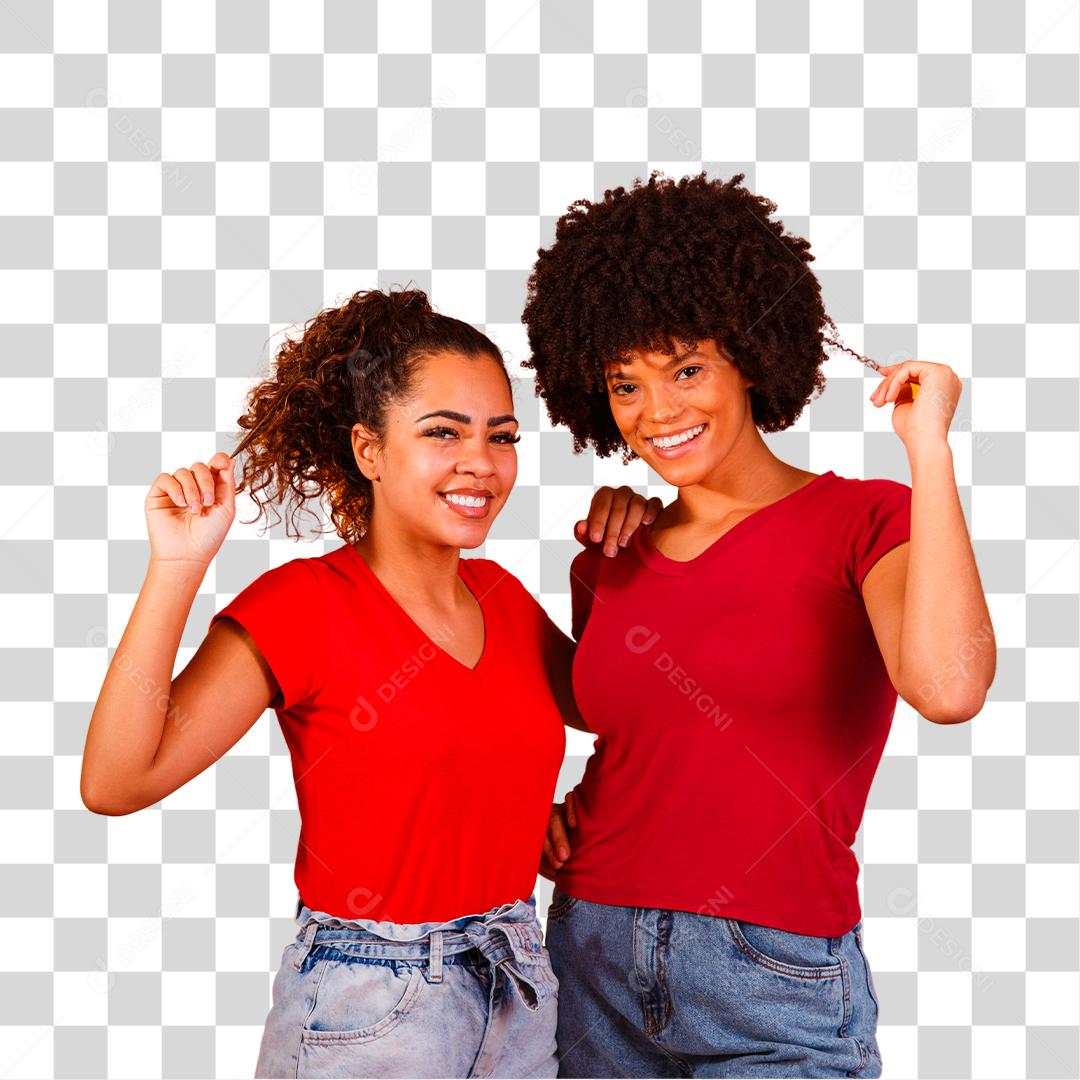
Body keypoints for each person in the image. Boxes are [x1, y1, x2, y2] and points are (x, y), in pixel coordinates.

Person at [80, 287, 659, 1078]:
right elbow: (115, 781)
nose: (479, 463)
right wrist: (177, 568)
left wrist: (623, 561)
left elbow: (638, 712)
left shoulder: (505, 601)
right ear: (370, 450)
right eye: (441, 433)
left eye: (501, 436)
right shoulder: (302, 606)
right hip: (367, 1003)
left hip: (518, 983)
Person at [523, 171, 996, 1078]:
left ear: (749, 353)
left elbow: (948, 686)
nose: (658, 413)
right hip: (590, 953)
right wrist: (524, 816)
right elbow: (604, 718)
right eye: (626, 385)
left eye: (687, 369)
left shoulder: (867, 522)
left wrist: (929, 448)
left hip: (771, 971)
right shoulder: (610, 553)